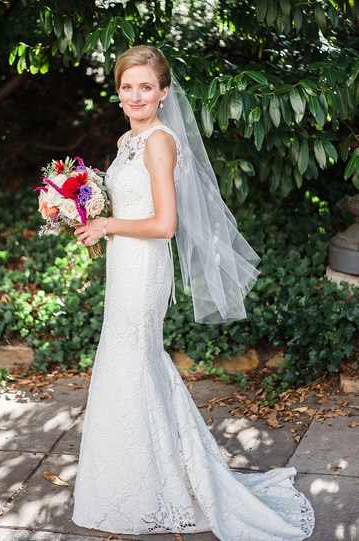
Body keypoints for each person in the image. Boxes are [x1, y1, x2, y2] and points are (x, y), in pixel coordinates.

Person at [72, 46, 314, 540]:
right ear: (117, 93)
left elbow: (165, 224)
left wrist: (106, 223)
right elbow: (129, 205)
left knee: (133, 361)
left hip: (144, 272)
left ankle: (154, 484)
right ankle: (134, 479)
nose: (136, 95)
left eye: (146, 87)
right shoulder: (126, 140)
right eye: (127, 86)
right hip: (123, 267)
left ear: (163, 93)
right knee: (128, 365)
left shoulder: (160, 141)